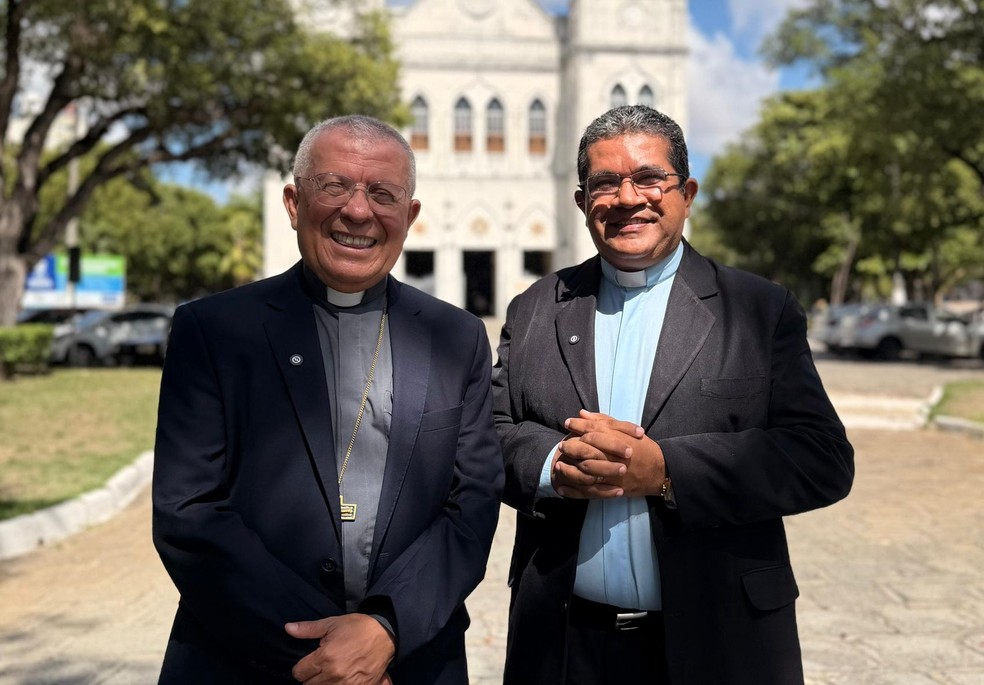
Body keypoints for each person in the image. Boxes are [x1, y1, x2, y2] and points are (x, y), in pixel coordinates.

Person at [492, 105, 854, 685]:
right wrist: (552, 464)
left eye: (649, 178)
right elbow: (489, 435)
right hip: (563, 645)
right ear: (582, 202)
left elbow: (822, 459)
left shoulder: (758, 310)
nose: (627, 198)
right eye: (605, 183)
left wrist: (665, 471)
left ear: (686, 193)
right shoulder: (536, 309)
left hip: (721, 643)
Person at [153, 114, 504, 684]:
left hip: (410, 659)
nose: (358, 211)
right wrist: (329, 654)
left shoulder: (456, 337)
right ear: (294, 203)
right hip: (245, 659)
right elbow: (187, 512)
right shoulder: (214, 331)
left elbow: (474, 504)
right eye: (334, 186)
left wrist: (386, 630)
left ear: (410, 215)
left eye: (383, 194)